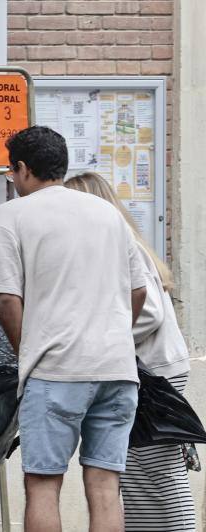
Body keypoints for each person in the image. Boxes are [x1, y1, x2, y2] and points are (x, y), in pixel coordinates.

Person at [0, 126, 147, 532]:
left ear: (23, 168)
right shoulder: (106, 213)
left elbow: (7, 302)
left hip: (55, 371)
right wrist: (117, 335)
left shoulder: (11, 216)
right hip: (117, 371)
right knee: (106, 486)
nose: (12, 180)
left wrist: (25, 352)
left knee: (43, 486)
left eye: (12, 171)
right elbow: (138, 290)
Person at [65, 172, 197, 531]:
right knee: (137, 474)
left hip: (154, 373)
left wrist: (99, 339)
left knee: (159, 474)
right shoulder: (122, 243)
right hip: (153, 370)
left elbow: (149, 312)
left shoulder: (122, 247)